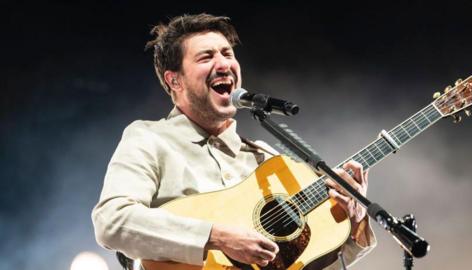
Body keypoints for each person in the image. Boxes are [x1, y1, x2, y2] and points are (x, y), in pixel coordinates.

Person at [92, 13, 376, 269]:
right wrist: (217, 237)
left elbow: (306, 264)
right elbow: (112, 221)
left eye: (227, 53)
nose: (224, 64)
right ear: (174, 81)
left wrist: (354, 219)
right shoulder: (148, 138)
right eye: (206, 57)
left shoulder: (265, 159)